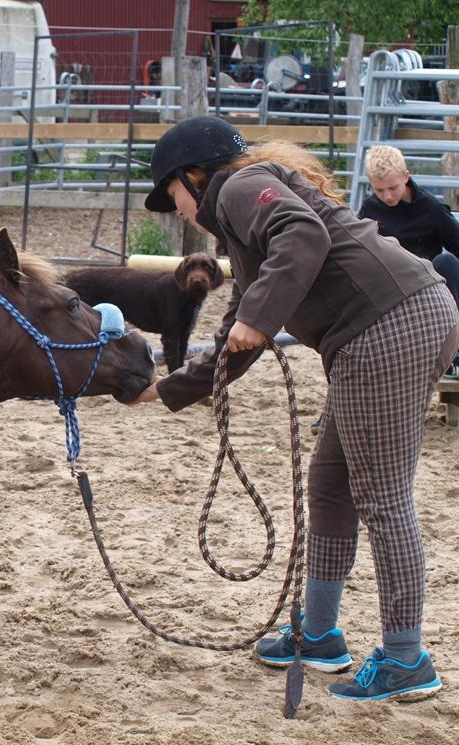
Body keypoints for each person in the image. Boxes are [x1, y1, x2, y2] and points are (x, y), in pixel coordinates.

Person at [131, 116, 459, 703]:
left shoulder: (235, 190)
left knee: (382, 497)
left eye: (171, 194)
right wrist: (171, 388)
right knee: (330, 480)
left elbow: (301, 238)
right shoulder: (242, 209)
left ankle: (407, 658)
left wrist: (259, 319)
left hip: (386, 328)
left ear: (193, 176)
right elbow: (241, 324)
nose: (174, 207)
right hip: (402, 319)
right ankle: (319, 633)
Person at [359, 144, 459, 310]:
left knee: (446, 261)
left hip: (429, 284)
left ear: (405, 177)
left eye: (393, 188)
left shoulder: (429, 207)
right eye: (379, 190)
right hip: (391, 284)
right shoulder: (369, 209)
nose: (387, 196)